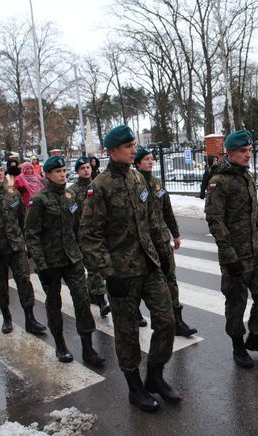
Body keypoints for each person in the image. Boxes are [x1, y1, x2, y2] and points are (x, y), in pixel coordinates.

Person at [80, 125, 179, 412]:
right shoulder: (99, 187)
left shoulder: (138, 179)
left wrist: (163, 256)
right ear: (112, 151)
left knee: (167, 320)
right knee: (126, 333)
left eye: (134, 145)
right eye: (128, 146)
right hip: (122, 273)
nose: (134, 150)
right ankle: (135, 388)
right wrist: (108, 274)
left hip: (149, 266)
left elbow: (150, 222)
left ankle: (156, 377)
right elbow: (90, 236)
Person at [204, 129, 258, 369]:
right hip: (235, 255)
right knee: (236, 303)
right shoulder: (219, 182)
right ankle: (238, 345)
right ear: (229, 153)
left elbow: (254, 212)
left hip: (256, 250)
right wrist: (229, 256)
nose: (248, 155)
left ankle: (256, 337)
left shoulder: (248, 176)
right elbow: (215, 220)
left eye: (249, 150)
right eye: (242, 151)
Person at [24, 155, 104, 367]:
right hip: (51, 262)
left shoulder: (70, 196)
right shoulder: (39, 200)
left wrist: (83, 251)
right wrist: (41, 265)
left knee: (82, 300)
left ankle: (88, 348)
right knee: (54, 303)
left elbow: (78, 226)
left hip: (73, 258)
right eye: (57, 171)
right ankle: (60, 344)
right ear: (48, 175)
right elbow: (31, 234)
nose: (62, 174)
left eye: (63, 171)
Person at [0, 157, 47, 335]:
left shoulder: (13, 194)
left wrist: (26, 243)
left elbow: (23, 220)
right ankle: (6, 316)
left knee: (24, 282)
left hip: (16, 247)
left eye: (1, 170)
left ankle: (30, 318)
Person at [134, 146, 197, 337]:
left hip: (162, 241)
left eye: (152, 158)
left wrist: (175, 234)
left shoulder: (157, 184)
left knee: (170, 279)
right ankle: (135, 311)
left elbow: (167, 210)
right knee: (142, 283)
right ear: (137, 163)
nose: (150, 161)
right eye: (146, 159)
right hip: (144, 245)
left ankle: (177, 320)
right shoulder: (133, 184)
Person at [69, 156, 110, 317]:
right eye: (82, 168)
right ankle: (102, 302)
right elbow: (71, 217)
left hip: (100, 234)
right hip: (84, 236)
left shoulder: (99, 185)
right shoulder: (72, 191)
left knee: (101, 267)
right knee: (94, 269)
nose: (86, 170)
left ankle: (93, 294)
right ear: (78, 171)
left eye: (87, 167)